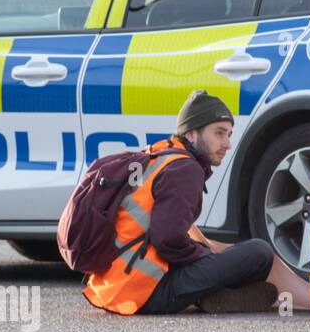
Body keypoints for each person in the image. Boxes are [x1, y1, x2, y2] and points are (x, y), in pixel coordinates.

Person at [84, 91, 278, 315]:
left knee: (217, 253)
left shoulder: (160, 155)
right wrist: (207, 256)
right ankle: (211, 293)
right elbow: (168, 238)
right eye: (219, 133)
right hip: (147, 294)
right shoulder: (185, 169)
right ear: (192, 134)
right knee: (259, 253)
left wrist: (204, 250)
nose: (227, 144)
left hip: (112, 289)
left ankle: (215, 295)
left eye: (229, 134)